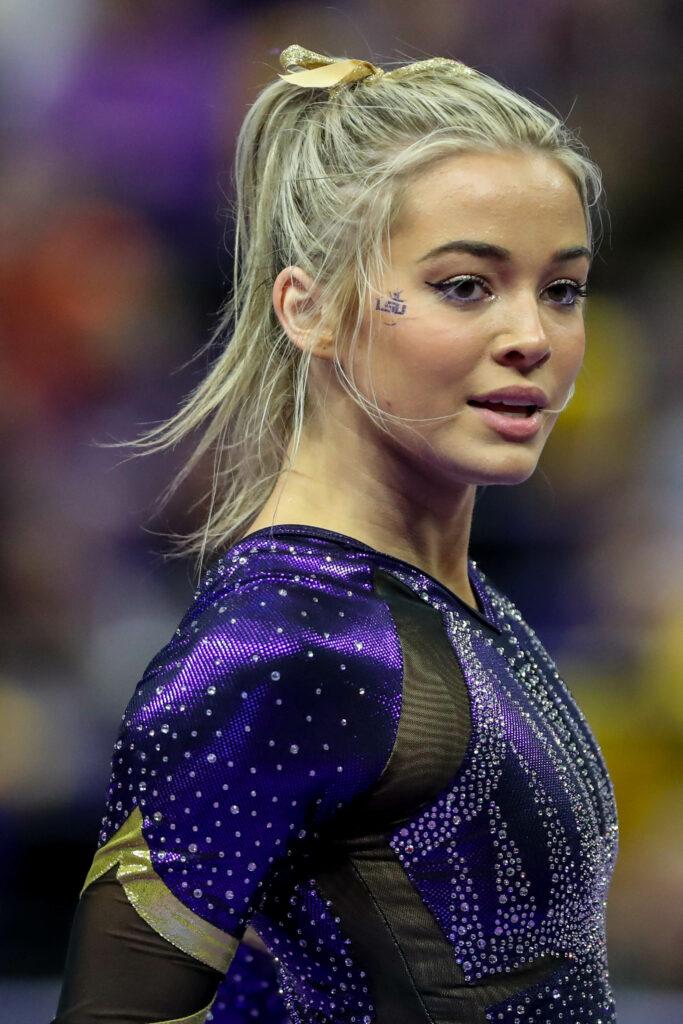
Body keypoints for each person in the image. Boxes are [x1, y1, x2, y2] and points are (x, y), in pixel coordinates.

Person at [52, 42, 620, 1024]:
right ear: (308, 308)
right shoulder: (282, 647)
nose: (531, 333)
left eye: (559, 288)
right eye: (463, 286)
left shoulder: (453, 602)